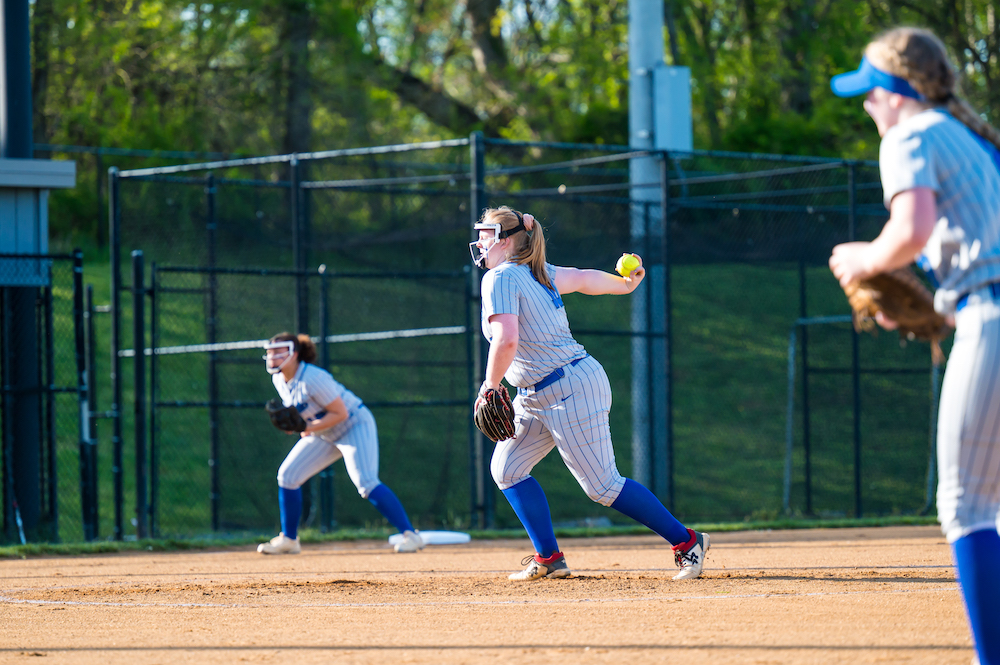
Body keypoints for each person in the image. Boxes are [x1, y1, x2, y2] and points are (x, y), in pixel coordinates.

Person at [828, 27, 1000, 664]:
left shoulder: (910, 134)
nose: (867, 106)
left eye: (869, 92)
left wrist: (864, 258)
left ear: (894, 91)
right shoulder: (974, 139)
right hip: (985, 311)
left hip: (994, 317)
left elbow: (912, 229)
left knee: (967, 503)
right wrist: (938, 307)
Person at [470, 206, 710, 581]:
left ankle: (687, 542)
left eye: (485, 232)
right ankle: (549, 558)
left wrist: (489, 385)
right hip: (539, 393)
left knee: (603, 486)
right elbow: (581, 279)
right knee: (508, 469)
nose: (480, 240)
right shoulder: (534, 272)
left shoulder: (500, 278)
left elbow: (507, 339)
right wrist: (625, 284)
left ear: (505, 239)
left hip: (568, 388)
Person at [258, 332, 424, 554]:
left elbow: (341, 413)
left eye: (279, 351)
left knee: (366, 482)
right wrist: (302, 427)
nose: (273, 356)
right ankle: (289, 539)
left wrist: (305, 428)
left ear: (295, 353)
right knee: (288, 476)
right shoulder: (279, 379)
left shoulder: (313, 377)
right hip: (324, 432)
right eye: (270, 351)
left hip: (353, 424)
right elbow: (306, 414)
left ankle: (411, 535)